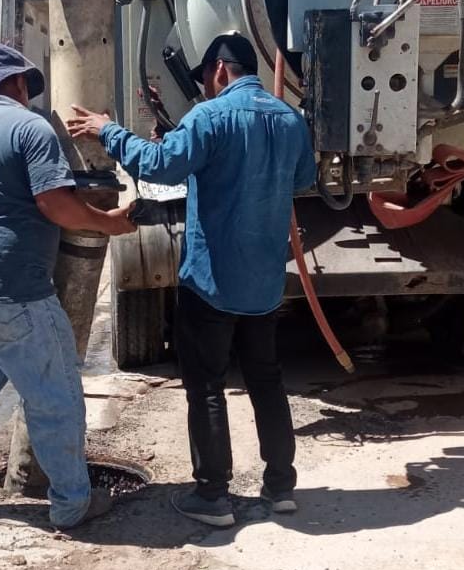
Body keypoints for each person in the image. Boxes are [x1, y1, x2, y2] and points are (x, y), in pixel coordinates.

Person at [68, 33, 316, 529]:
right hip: (264, 281)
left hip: (211, 282)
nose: (204, 88)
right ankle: (281, 488)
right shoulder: (291, 120)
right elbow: (302, 179)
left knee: (206, 387)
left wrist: (108, 131)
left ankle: (214, 497)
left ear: (219, 70)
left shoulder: (209, 116)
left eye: (205, 78)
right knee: (267, 380)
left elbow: (161, 164)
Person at [0, 43, 136, 529]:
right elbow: (57, 205)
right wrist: (109, 223)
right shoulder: (28, 128)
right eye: (27, 89)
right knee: (54, 397)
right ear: (15, 84)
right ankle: (73, 502)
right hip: (15, 291)